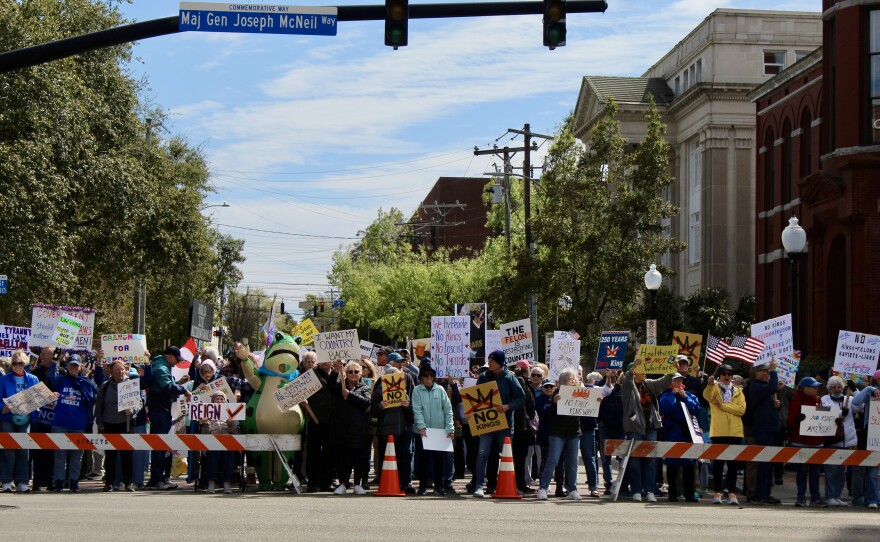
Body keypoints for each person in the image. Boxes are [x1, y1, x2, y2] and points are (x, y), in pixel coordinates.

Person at [470, 350, 525, 497]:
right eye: (489, 360)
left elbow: (521, 398)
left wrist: (508, 406)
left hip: (505, 424)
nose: (490, 363)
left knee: (507, 456)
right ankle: (479, 486)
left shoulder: (510, 378)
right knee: (482, 454)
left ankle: (511, 485)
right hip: (486, 423)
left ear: (500, 363)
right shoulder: (483, 377)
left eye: (492, 361)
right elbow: (475, 397)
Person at [621, 359, 675, 502]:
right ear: (634, 372)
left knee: (650, 460)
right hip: (634, 428)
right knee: (635, 461)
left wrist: (671, 370)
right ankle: (637, 491)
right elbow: (627, 380)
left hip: (650, 427)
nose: (645, 372)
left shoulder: (648, 384)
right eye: (641, 370)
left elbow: (663, 383)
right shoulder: (628, 386)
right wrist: (631, 372)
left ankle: (649, 490)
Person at [146, 346, 192, 490]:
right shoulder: (161, 368)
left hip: (161, 410)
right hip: (159, 411)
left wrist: (178, 384)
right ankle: (156, 480)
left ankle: (159, 479)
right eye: (176, 360)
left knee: (160, 446)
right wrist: (184, 390)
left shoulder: (161, 366)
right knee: (159, 446)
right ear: (170, 356)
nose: (177, 363)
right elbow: (166, 387)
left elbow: (166, 387)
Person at [372, 353, 417, 494]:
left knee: (403, 457)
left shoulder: (404, 393)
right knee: (386, 458)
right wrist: (380, 406)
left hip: (401, 430)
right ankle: (384, 482)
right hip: (385, 431)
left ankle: (404, 483)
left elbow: (411, 417)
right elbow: (373, 413)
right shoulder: (379, 392)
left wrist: (407, 406)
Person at [50, 354, 96, 492]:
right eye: (71, 365)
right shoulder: (61, 380)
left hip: (78, 424)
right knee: (60, 454)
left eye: (76, 365)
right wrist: (55, 361)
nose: (73, 368)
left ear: (80, 366)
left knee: (77, 455)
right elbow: (51, 378)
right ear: (67, 366)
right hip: (60, 422)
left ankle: (74, 481)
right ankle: (59, 481)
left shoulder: (86, 382)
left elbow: (92, 397)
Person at [537, 368, 582, 500]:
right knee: (553, 460)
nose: (573, 381)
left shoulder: (580, 393)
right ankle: (543, 488)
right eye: (569, 379)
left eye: (574, 378)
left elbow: (587, 411)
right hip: (557, 432)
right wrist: (554, 402)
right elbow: (548, 413)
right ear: (562, 381)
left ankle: (572, 489)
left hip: (573, 431)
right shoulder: (556, 394)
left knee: (573, 462)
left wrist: (595, 402)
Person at [703, 364, 745, 505]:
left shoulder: (739, 391)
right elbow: (706, 396)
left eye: (729, 374)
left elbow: (741, 410)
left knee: (733, 465)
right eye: (724, 374)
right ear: (720, 375)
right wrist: (709, 384)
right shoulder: (714, 389)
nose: (726, 377)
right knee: (719, 464)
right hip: (719, 431)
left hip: (735, 432)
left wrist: (723, 406)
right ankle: (717, 493)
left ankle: (732, 493)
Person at [95, 359, 140, 492]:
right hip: (109, 425)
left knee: (127, 455)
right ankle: (109, 482)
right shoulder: (105, 386)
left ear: (125, 370)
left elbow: (139, 404)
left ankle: (128, 483)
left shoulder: (131, 385)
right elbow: (99, 406)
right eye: (116, 370)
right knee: (110, 456)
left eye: (121, 370)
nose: (119, 372)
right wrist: (100, 423)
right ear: (111, 372)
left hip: (126, 425)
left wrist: (131, 411)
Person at [0, 350, 40, 492]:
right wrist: (2, 407)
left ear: (25, 364)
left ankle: (22, 481)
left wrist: (50, 396)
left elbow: (37, 399)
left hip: (25, 417)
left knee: (23, 449)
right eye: (14, 364)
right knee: (8, 449)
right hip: (7, 417)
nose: (17, 366)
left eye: (20, 363)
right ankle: (6, 481)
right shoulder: (4, 379)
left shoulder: (33, 379)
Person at [411, 363, 454, 495]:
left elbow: (448, 409)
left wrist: (450, 428)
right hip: (423, 431)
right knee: (423, 460)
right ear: (421, 378)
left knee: (439, 460)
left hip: (439, 431)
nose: (429, 377)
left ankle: (439, 487)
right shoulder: (417, 390)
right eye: (426, 375)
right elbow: (417, 410)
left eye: (431, 375)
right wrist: (421, 427)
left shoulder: (440, 389)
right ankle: (423, 486)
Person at [658, 373, 701, 502]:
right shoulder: (666, 395)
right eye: (675, 381)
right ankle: (673, 493)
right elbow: (665, 408)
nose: (678, 383)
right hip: (673, 432)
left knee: (689, 464)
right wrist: (673, 394)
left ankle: (690, 494)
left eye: (679, 381)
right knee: (672, 464)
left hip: (688, 433)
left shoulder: (689, 395)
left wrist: (686, 397)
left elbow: (696, 409)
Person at [331, 360, 371, 495]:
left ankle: (358, 484)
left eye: (356, 371)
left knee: (358, 458)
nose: (353, 374)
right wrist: (336, 370)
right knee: (342, 458)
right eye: (350, 372)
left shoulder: (364, 388)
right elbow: (330, 386)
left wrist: (350, 395)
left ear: (360, 374)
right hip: (341, 429)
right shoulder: (339, 387)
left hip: (358, 430)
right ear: (346, 374)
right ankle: (343, 482)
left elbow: (366, 402)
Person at [299, 351, 338, 493]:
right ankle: (312, 482)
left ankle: (327, 482)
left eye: (327, 360)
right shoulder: (310, 375)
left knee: (330, 452)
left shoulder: (339, 375)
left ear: (332, 362)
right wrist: (301, 400)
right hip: (314, 418)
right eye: (321, 360)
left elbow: (336, 390)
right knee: (313, 452)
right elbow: (298, 391)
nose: (324, 363)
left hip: (331, 420)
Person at [820, 375, 861, 506]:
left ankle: (837, 496)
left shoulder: (849, 399)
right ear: (829, 388)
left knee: (841, 472)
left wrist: (854, 389)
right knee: (831, 471)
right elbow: (826, 413)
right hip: (832, 440)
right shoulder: (825, 399)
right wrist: (840, 414)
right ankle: (829, 496)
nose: (837, 389)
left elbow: (861, 404)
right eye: (834, 387)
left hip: (846, 441)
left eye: (839, 387)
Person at [787, 376, 826, 507]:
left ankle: (815, 498)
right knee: (801, 473)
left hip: (816, 442)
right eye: (813, 387)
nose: (816, 389)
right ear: (805, 388)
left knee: (815, 473)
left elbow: (823, 420)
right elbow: (790, 421)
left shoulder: (818, 401)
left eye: (817, 386)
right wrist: (797, 419)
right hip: (801, 442)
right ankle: (801, 498)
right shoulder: (797, 400)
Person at [748, 360, 782, 505]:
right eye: (765, 371)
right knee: (764, 463)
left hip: (771, 428)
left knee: (769, 465)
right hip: (763, 429)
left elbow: (772, 390)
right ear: (756, 373)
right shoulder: (755, 386)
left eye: (768, 371)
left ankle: (766, 493)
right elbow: (772, 387)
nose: (767, 373)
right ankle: (760, 493)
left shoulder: (764, 388)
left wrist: (775, 405)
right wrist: (774, 371)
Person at [200, 389, 240, 494]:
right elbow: (204, 435)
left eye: (222, 399)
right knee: (213, 454)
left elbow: (235, 432)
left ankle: (227, 483)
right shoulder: (207, 414)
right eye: (217, 399)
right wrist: (205, 424)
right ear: (213, 402)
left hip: (227, 441)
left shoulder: (231, 413)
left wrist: (231, 423)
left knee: (229, 454)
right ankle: (211, 483)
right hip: (212, 441)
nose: (219, 401)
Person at [851, 370, 880, 508]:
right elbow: (856, 402)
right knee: (866, 468)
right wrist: (868, 388)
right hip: (870, 432)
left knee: (873, 470)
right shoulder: (871, 392)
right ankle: (867, 499)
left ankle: (873, 498)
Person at [598, 369, 623, 495]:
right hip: (605, 426)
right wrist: (607, 378)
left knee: (622, 456)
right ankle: (608, 483)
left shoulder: (624, 390)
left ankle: (621, 483)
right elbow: (606, 388)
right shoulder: (601, 386)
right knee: (606, 457)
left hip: (620, 427)